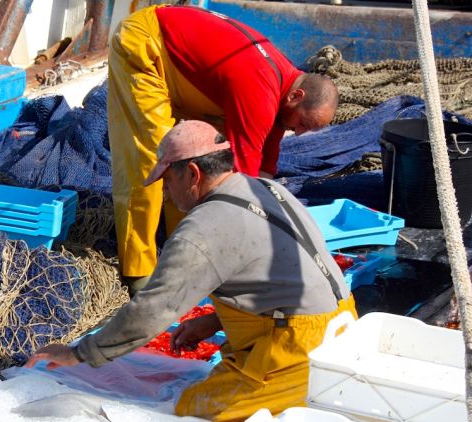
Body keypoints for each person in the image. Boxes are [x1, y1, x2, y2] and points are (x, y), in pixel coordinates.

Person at [27, 120, 357, 421]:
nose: (165, 191)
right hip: (343, 327)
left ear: (194, 174)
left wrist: (79, 354)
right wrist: (213, 320)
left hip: (299, 351)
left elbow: (153, 309)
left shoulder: (202, 228)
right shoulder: (268, 190)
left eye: (168, 180)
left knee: (190, 410)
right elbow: (284, 273)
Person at [108, 5, 340, 293]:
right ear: (297, 96)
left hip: (186, 71)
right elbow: (241, 184)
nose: (300, 132)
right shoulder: (260, 90)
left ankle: (183, 253)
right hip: (145, 46)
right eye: (304, 123)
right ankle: (138, 272)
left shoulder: (283, 92)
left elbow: (262, 175)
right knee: (154, 158)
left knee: (202, 164)